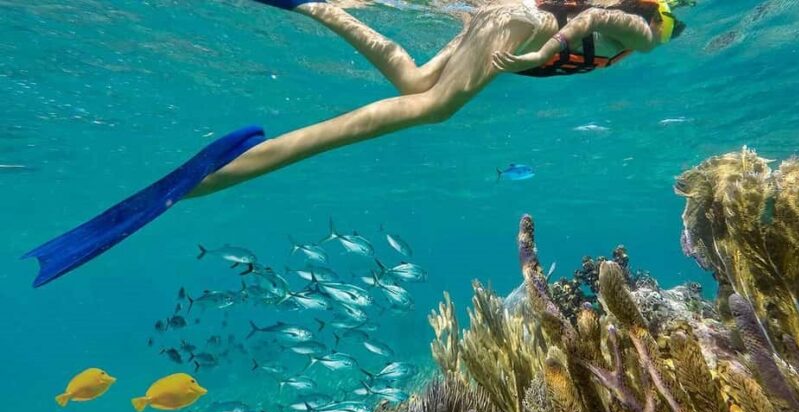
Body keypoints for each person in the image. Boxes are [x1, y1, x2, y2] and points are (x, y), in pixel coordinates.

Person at [23, 0, 692, 287]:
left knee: (409, 77)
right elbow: (603, 19)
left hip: (507, 16)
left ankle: (317, 7)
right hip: (520, 27)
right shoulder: (653, 26)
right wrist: (543, 49)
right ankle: (216, 176)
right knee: (424, 112)